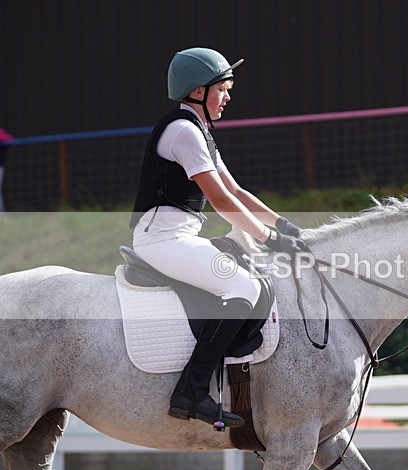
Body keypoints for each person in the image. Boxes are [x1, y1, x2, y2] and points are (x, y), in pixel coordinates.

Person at [129, 47, 304, 427]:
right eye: (222, 89)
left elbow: (236, 191)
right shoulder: (183, 131)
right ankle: (191, 391)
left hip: (177, 235)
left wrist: (284, 224)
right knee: (244, 287)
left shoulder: (199, 131)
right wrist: (269, 239)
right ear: (197, 92)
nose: (227, 97)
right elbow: (221, 200)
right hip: (163, 240)